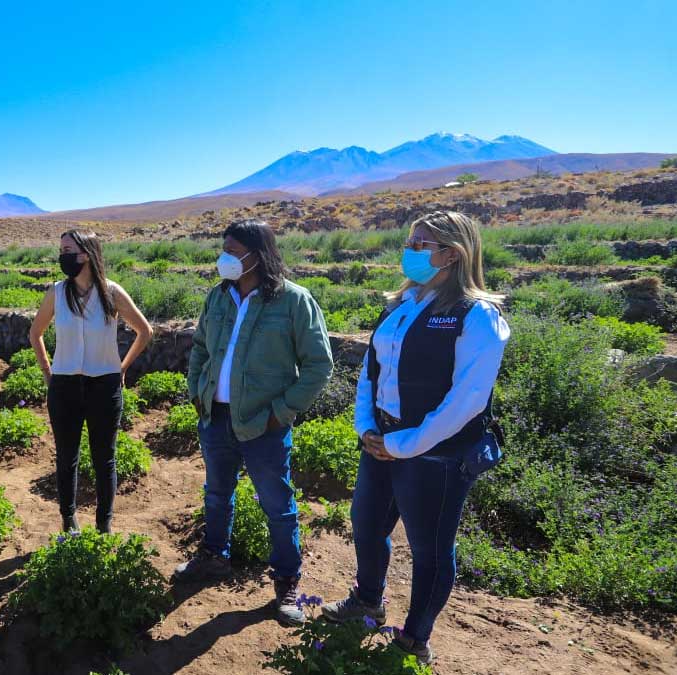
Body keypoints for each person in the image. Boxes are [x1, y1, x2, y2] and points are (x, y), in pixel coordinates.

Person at [320, 211, 510, 665]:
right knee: (367, 525)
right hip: (380, 442)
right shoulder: (402, 305)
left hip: (436, 457)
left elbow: (465, 402)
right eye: (411, 240)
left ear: (453, 254)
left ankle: (414, 639)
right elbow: (372, 371)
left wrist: (404, 444)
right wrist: (366, 425)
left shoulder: (477, 316)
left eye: (422, 244)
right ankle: (368, 600)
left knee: (430, 549)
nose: (410, 250)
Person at [176, 220, 334, 626]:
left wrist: (280, 413)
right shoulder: (218, 297)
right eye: (223, 248)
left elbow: (319, 365)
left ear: (256, 254)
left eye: (232, 250)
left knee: (278, 507)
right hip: (216, 417)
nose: (223, 257)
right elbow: (198, 347)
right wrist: (197, 389)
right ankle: (214, 557)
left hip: (264, 424)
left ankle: (286, 584)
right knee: (216, 494)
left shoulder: (294, 301)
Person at [28, 229, 153, 534]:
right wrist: (49, 373)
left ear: (86, 254)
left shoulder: (111, 292)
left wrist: (121, 368)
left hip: (104, 387)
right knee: (66, 457)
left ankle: (103, 527)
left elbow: (145, 331)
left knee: (104, 460)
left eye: (68, 250)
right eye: (61, 250)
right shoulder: (56, 293)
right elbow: (36, 333)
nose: (62, 256)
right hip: (65, 387)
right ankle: (69, 522)